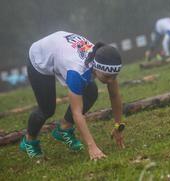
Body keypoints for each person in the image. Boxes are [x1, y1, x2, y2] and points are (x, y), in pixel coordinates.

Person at [19, 31, 125, 160]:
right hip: (40, 56)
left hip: (60, 47)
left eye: (114, 77)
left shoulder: (105, 61)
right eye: (107, 77)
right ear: (95, 68)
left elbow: (114, 96)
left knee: (91, 92)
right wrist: (92, 147)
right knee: (46, 109)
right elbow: (77, 113)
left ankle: (63, 130)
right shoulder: (77, 72)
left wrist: (118, 126)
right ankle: (29, 140)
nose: (111, 81)